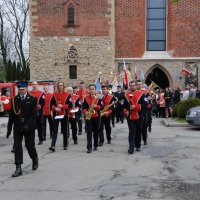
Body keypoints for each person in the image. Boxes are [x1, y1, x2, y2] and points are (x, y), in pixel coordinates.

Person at [6, 81, 39, 177]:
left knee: (29, 146)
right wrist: (9, 129)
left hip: (29, 126)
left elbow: (34, 114)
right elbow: (12, 115)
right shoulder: (14, 99)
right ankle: (18, 168)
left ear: (26, 89)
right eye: (19, 89)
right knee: (17, 146)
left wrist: (27, 125)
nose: (20, 91)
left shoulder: (32, 99)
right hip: (18, 126)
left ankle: (35, 158)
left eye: (22, 89)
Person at [49, 81, 71, 152]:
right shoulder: (54, 94)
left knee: (65, 130)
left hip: (64, 114)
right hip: (56, 114)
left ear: (63, 86)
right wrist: (55, 108)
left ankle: (65, 145)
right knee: (54, 130)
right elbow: (51, 104)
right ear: (58, 86)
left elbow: (70, 104)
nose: (60, 86)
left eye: (62, 85)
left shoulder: (67, 94)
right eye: (59, 85)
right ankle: (53, 146)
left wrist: (62, 106)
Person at [123, 81, 144, 154]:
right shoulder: (126, 95)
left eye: (133, 85)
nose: (132, 87)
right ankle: (131, 147)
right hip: (130, 117)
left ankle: (138, 146)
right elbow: (123, 106)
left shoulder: (141, 94)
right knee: (132, 131)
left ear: (136, 86)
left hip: (139, 116)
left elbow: (145, 105)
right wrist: (126, 111)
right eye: (131, 85)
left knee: (138, 132)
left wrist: (136, 106)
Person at [82, 84, 102, 153]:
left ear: (95, 90)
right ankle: (89, 147)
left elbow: (101, 107)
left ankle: (95, 145)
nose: (92, 91)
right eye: (90, 89)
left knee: (96, 132)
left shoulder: (99, 97)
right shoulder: (86, 97)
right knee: (89, 132)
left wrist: (96, 106)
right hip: (89, 117)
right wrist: (85, 112)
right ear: (89, 90)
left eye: (93, 89)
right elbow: (83, 107)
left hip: (96, 116)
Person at [29, 81, 45, 145]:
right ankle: (30, 140)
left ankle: (41, 139)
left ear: (37, 85)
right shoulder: (29, 93)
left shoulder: (41, 93)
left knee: (39, 126)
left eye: (35, 84)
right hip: (30, 112)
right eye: (33, 84)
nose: (34, 85)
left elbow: (43, 102)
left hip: (39, 112)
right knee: (30, 126)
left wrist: (40, 105)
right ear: (31, 85)